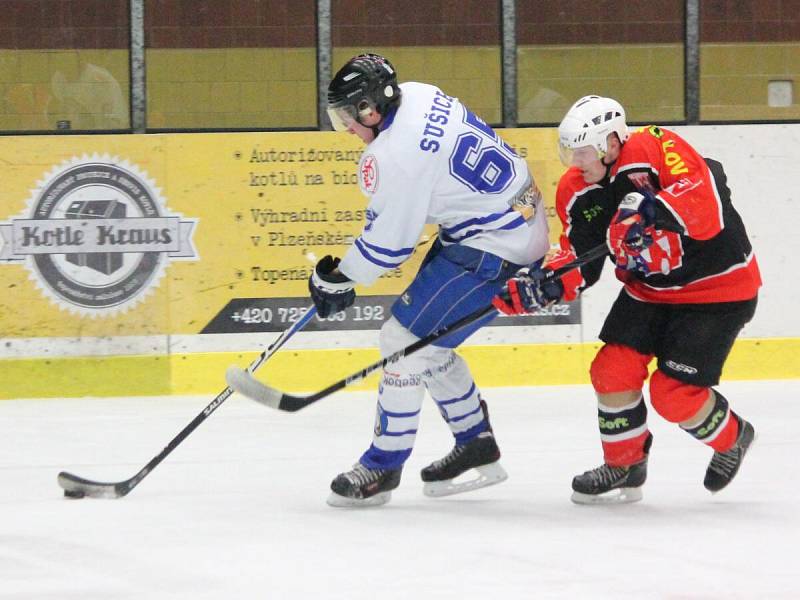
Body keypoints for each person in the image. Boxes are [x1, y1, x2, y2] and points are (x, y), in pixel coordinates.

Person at [493, 95, 761, 504]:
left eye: (582, 151)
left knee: (673, 395)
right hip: (650, 292)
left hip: (718, 289)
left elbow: (709, 199)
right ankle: (625, 465)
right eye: (568, 151)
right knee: (611, 372)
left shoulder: (656, 146)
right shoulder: (576, 190)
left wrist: (654, 209)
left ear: (612, 142)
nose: (574, 162)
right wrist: (546, 284)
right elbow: (581, 259)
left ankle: (733, 437)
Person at [313, 53, 550, 507]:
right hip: (511, 218)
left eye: (348, 115)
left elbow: (389, 246)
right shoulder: (418, 94)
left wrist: (340, 279)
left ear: (371, 108)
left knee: (401, 340)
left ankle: (383, 464)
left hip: (495, 244)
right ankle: (475, 441)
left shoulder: (395, 153)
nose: (345, 127)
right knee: (429, 344)